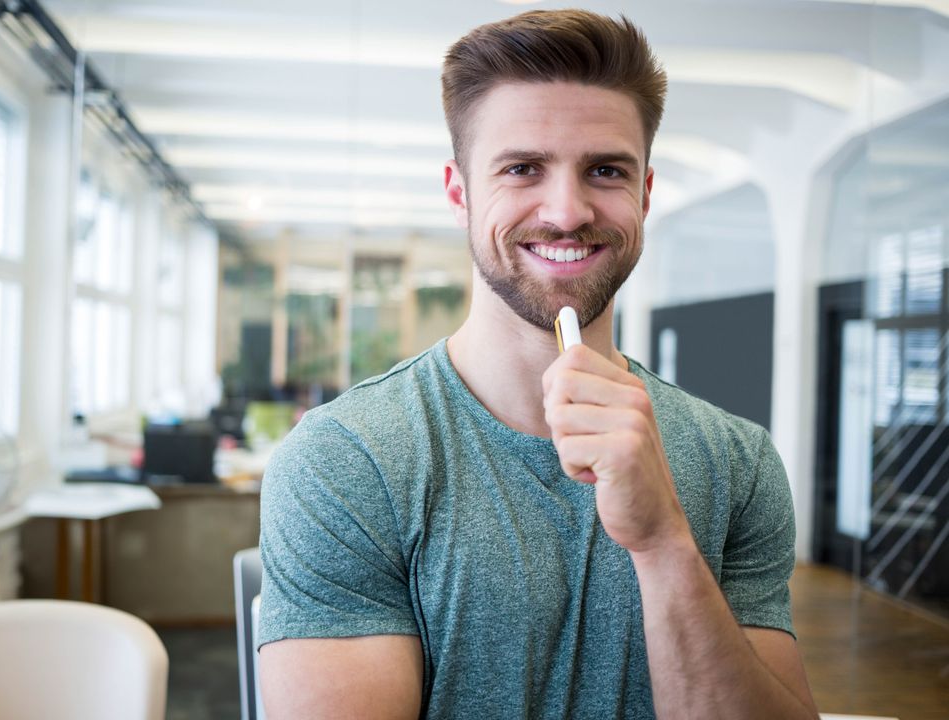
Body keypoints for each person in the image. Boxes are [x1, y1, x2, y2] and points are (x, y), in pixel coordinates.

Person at [256, 9, 818, 719]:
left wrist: (664, 542)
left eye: (606, 170)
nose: (565, 211)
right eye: (522, 169)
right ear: (460, 193)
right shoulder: (345, 458)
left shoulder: (738, 462)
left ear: (645, 194)